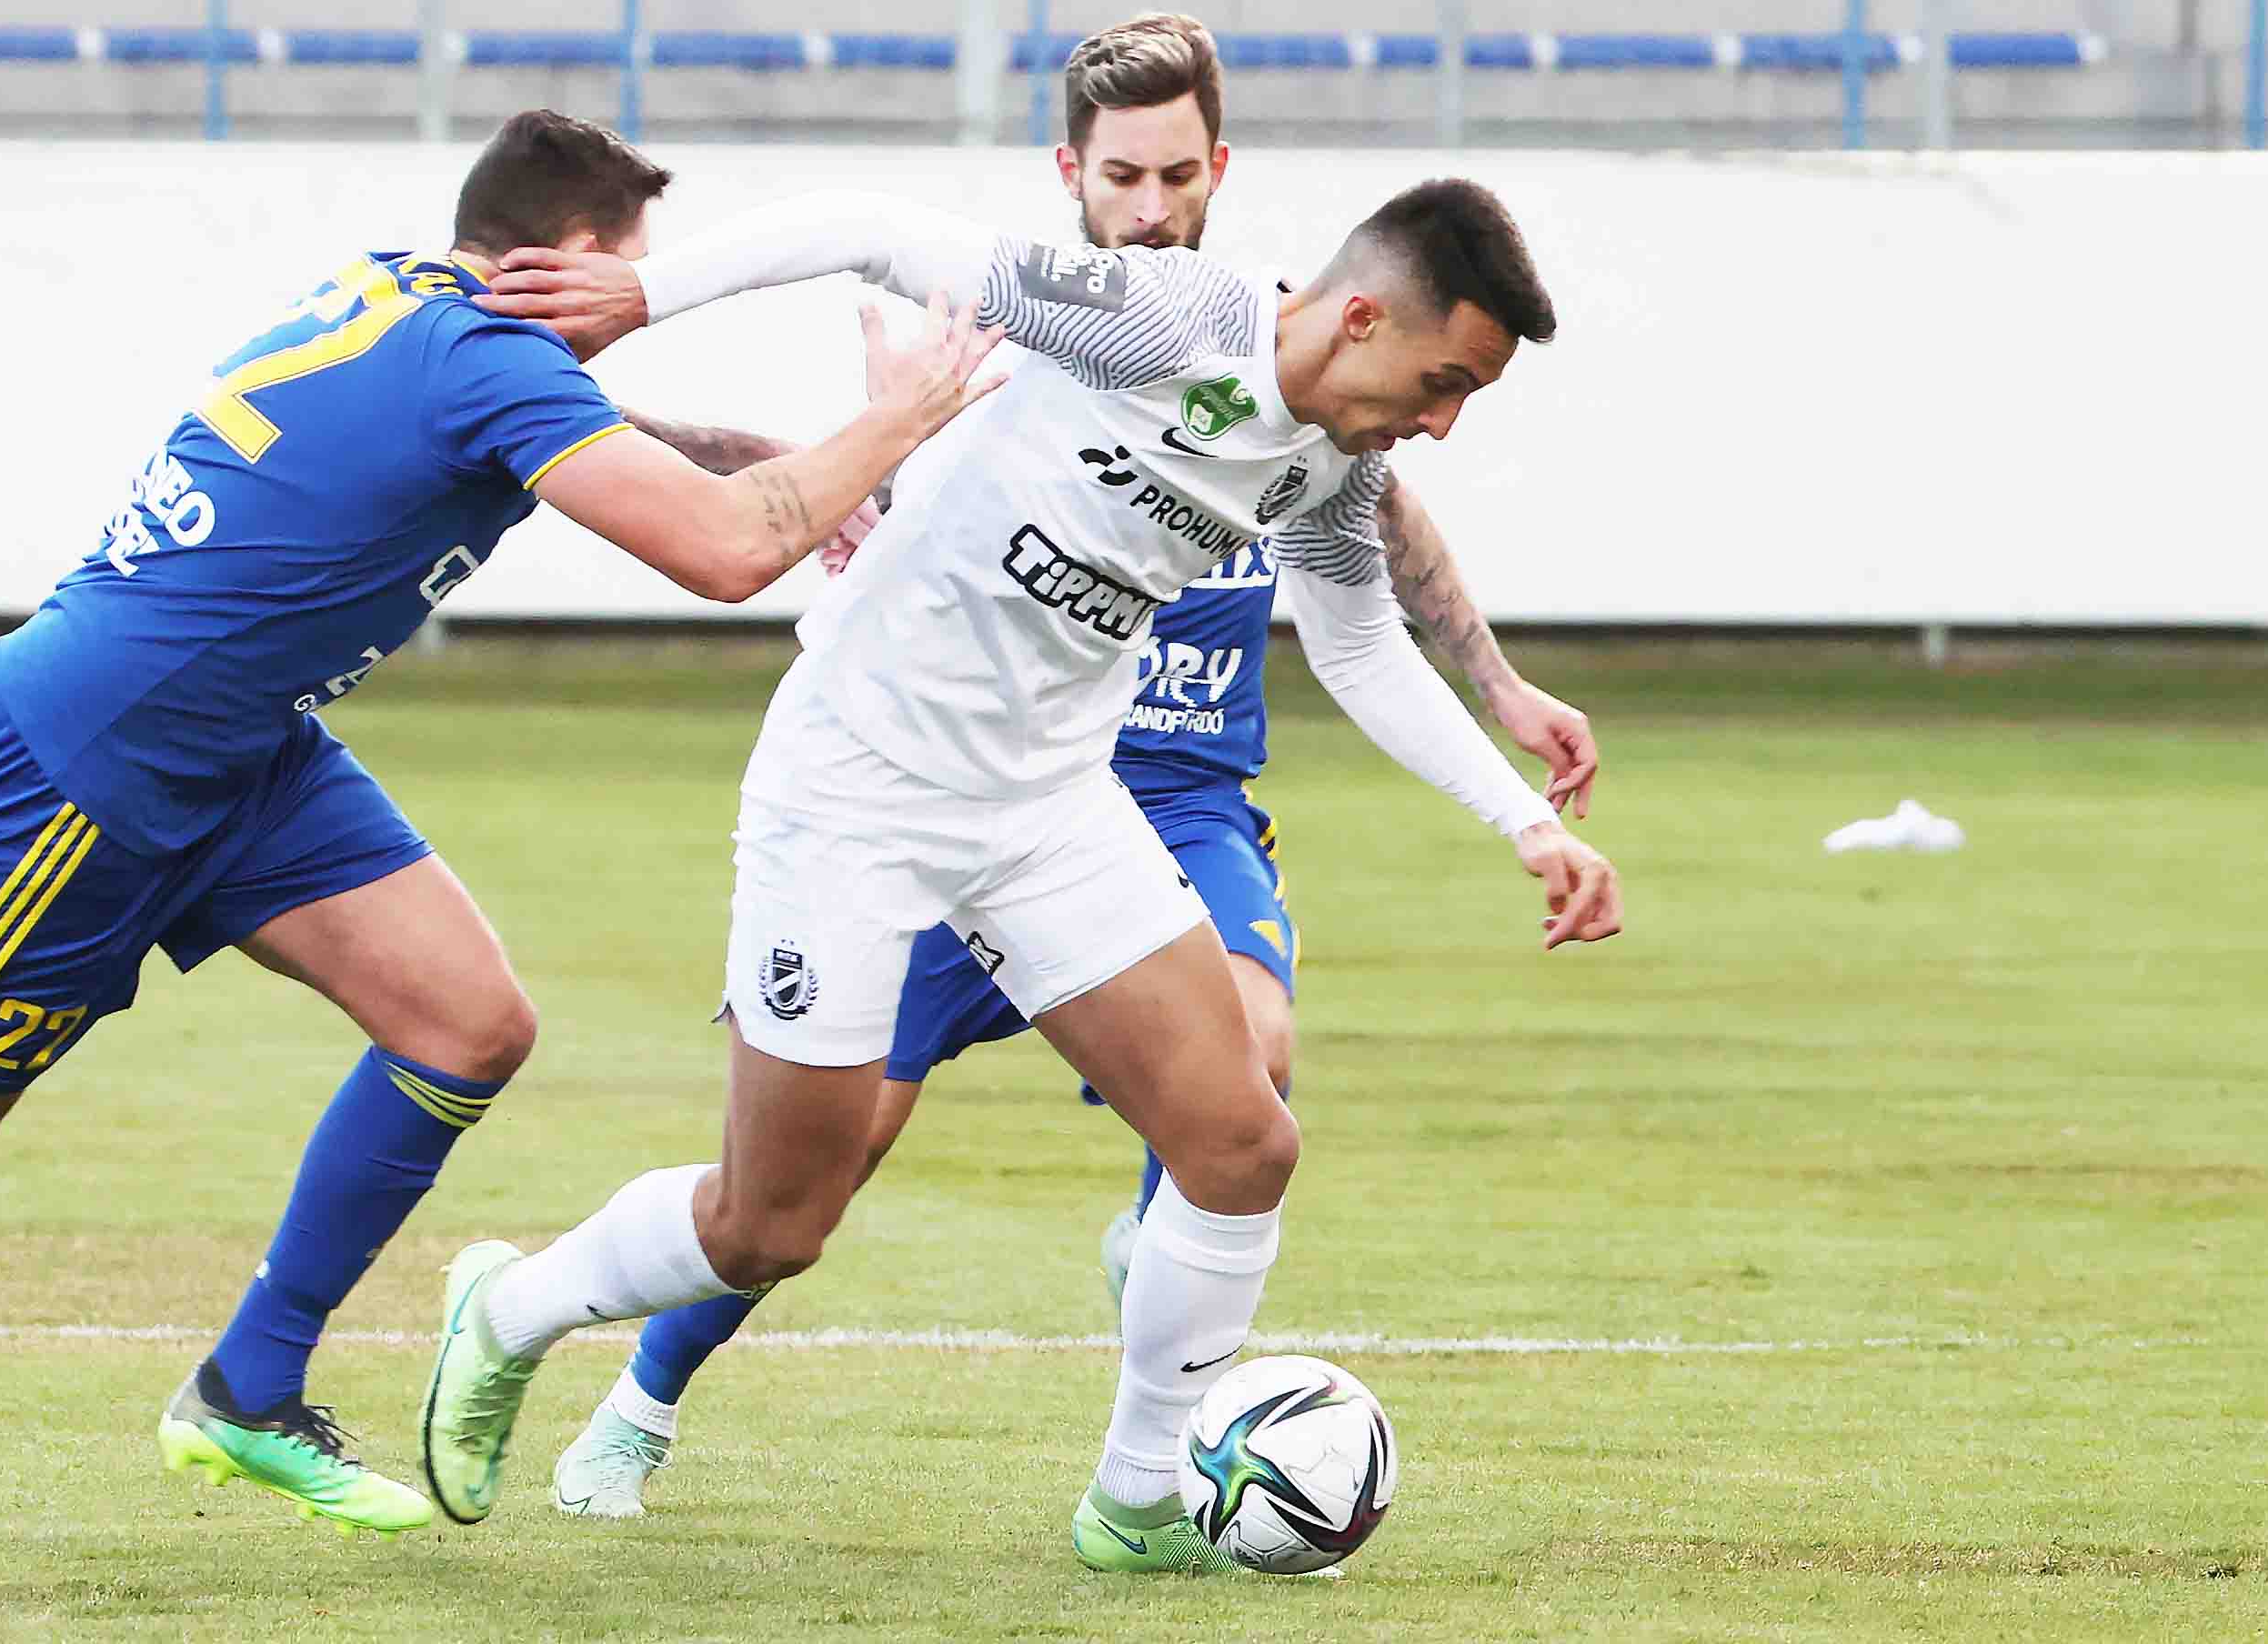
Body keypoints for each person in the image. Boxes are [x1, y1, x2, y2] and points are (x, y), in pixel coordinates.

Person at [421, 159, 1623, 1572]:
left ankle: (1137, 1499)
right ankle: (510, 1311)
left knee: (1241, 1144)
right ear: (1361, 317)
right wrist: (642, 292)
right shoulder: (1164, 322)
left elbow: (1356, 644)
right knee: (771, 1225)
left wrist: (1524, 823)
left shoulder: (1336, 463)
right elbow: (866, 228)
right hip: (858, 782)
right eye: (1445, 379)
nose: (1440, 421)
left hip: (1049, 803)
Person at [0, 108, 999, 1538]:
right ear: (554, 265)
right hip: (94, 762)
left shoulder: (400, 293)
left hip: (242, 753)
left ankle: (247, 1390)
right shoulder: (487, 362)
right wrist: (910, 410)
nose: (628, 314)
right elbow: (731, 551)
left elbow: (515, 425)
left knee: (465, 1022)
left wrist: (714, 438)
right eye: (623, 281)